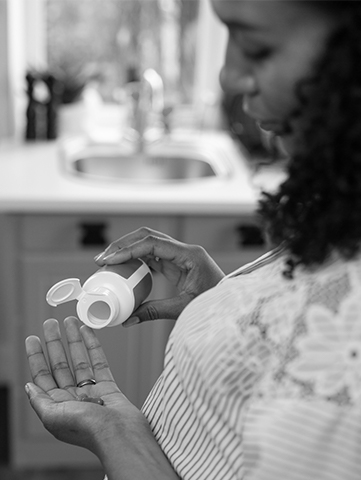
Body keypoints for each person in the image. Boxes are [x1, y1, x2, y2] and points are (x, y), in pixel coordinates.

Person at [25, 1, 361, 479]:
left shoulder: (349, 341)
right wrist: (229, 308)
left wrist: (115, 434)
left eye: (255, 45)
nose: (226, 76)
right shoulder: (343, 220)